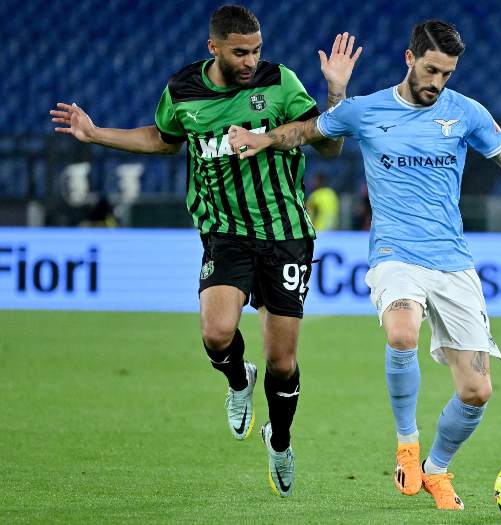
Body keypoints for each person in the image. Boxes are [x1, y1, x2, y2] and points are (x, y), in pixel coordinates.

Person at [229, 20, 501, 510]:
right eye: (431, 70)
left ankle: (436, 469)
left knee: (477, 391)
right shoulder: (366, 111)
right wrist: (265, 138)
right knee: (402, 334)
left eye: (446, 74)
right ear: (410, 59)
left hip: (452, 263)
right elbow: (309, 131)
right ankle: (407, 444)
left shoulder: (466, 112)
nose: (437, 83)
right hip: (395, 255)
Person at [50, 4, 361, 498]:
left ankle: (279, 441)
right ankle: (239, 381)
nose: (251, 60)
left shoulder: (280, 82)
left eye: (256, 50)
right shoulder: (183, 91)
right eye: (241, 52)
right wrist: (97, 134)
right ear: (213, 48)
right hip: (224, 232)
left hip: (285, 234)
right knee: (218, 335)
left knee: (283, 363)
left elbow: (329, 146)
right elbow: (162, 138)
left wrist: (334, 93)